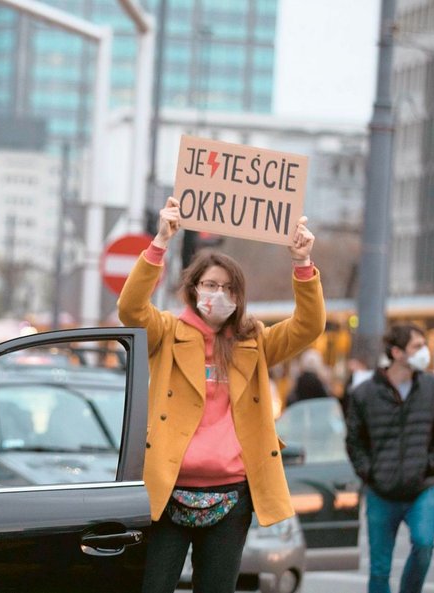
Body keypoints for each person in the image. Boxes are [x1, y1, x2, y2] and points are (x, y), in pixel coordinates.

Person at [117, 196, 325, 593]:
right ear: (194, 289)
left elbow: (308, 326)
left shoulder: (255, 340)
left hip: (232, 496)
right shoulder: (167, 331)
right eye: (211, 285)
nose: (219, 294)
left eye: (229, 288)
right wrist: (160, 241)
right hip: (167, 491)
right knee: (153, 586)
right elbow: (130, 308)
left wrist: (302, 263)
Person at [345, 323, 434, 593]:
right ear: (397, 352)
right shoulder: (365, 394)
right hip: (380, 492)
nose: (425, 352)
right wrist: (369, 472)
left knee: (424, 545)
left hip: (421, 489)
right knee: (379, 570)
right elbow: (354, 441)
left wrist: (430, 465)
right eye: (417, 346)